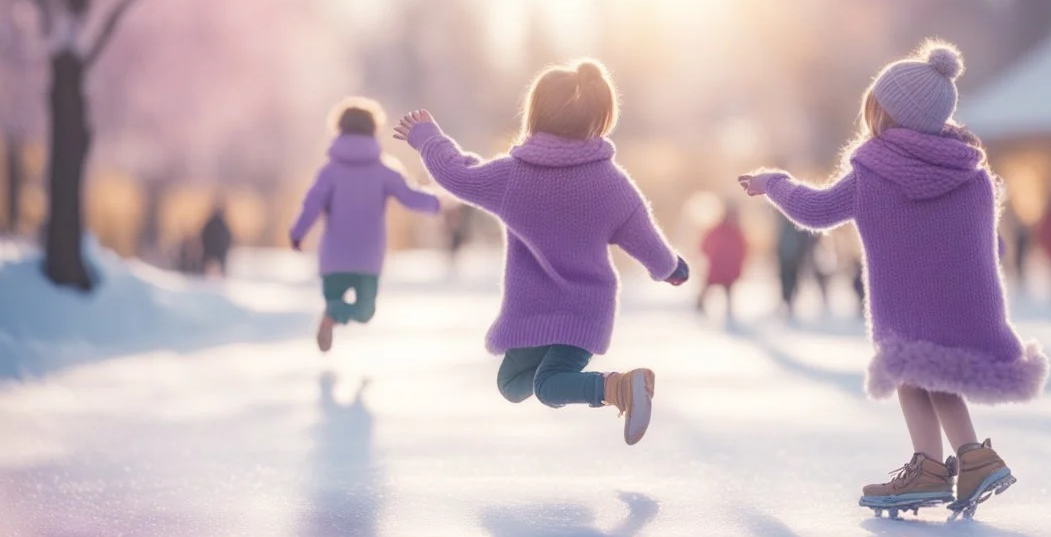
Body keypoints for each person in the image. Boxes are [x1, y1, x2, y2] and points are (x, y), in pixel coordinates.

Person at [739, 40, 1048, 519]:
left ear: (885, 113)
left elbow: (816, 211)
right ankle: (972, 457)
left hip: (906, 301)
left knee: (912, 372)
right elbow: (990, 241)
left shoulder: (874, 170)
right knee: (936, 375)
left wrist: (774, 183)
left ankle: (929, 467)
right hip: (967, 299)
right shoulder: (972, 171)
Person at [394, 59, 688, 446]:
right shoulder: (611, 184)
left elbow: (458, 175)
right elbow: (644, 236)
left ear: (535, 113)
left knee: (548, 388)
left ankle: (619, 388)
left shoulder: (512, 177)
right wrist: (670, 267)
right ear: (599, 118)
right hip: (572, 308)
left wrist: (428, 137)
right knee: (512, 385)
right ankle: (618, 388)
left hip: (560, 311)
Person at [290, 97, 440, 352]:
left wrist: (297, 234)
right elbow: (410, 196)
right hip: (368, 258)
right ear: (374, 130)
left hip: (333, 258)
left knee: (334, 301)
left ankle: (331, 314)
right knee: (365, 312)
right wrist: (439, 202)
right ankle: (334, 315)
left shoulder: (329, 171)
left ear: (338, 129)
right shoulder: (385, 170)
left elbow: (311, 205)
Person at [697, 203, 748, 321]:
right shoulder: (720, 229)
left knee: (727, 289)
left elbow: (744, 249)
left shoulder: (736, 231)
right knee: (710, 287)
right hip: (717, 266)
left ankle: (728, 310)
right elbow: (705, 243)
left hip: (727, 267)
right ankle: (699, 305)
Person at [776, 214, 815, 320]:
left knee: (792, 281)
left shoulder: (797, 228)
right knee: (785, 280)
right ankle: (786, 302)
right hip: (785, 258)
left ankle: (790, 303)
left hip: (793, 259)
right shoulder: (785, 227)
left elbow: (804, 243)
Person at [199, 203, 233, 276]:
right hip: (218, 256)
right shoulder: (223, 226)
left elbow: (203, 237)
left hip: (210, 255)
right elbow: (228, 240)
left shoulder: (209, 225)